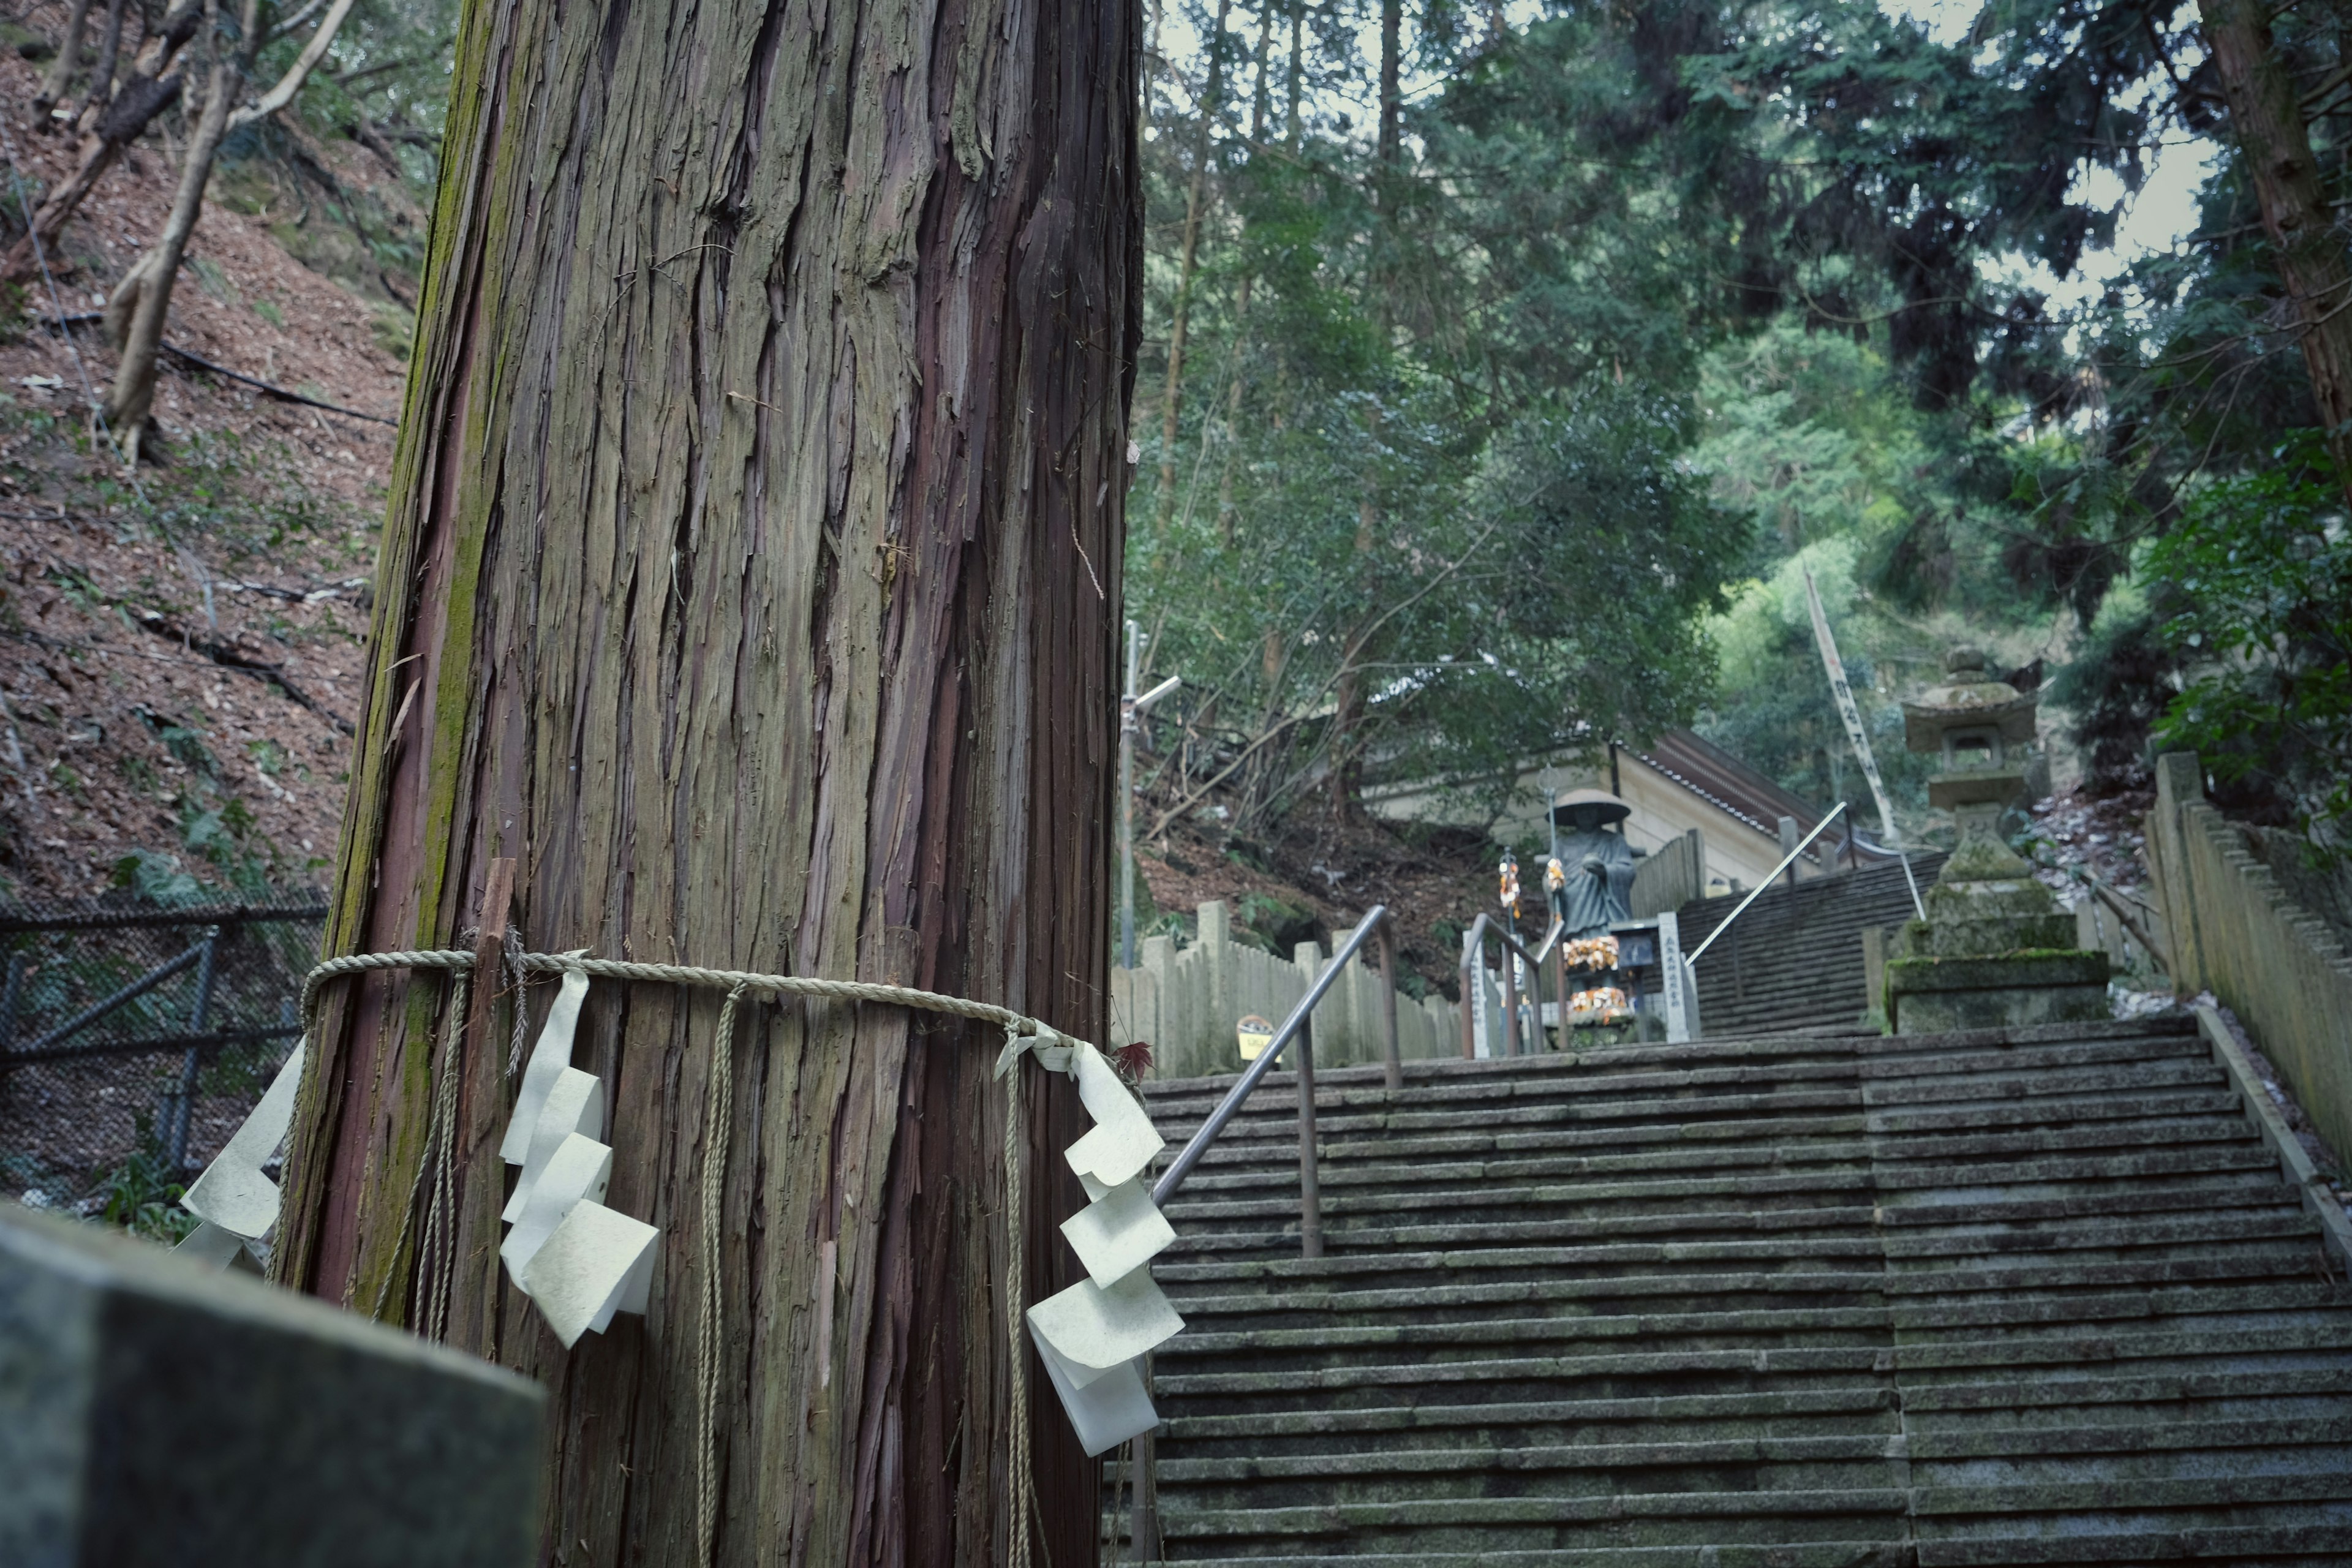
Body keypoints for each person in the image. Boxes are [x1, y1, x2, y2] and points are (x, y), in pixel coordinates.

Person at [1548, 789, 1636, 938]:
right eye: (1580, 810)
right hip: (1574, 910)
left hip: (1604, 913)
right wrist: (1552, 884)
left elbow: (1628, 871)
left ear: (1598, 813)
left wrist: (1605, 870)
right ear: (1574, 814)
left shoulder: (1614, 841)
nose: (1586, 814)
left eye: (1590, 810)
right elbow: (1550, 875)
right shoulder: (1561, 845)